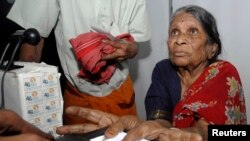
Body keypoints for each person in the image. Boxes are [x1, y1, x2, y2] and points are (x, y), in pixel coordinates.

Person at [56, 5, 247, 141]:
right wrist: (146, 127)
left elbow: (228, 132)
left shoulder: (223, 74)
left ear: (211, 48)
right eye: (174, 32)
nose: (179, 39)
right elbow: (160, 122)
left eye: (192, 32)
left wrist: (200, 134)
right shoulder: (163, 70)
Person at [7, 0, 150, 125]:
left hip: (120, 91)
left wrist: (131, 49)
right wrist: (27, 95)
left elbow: (135, 42)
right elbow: (33, 33)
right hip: (77, 96)